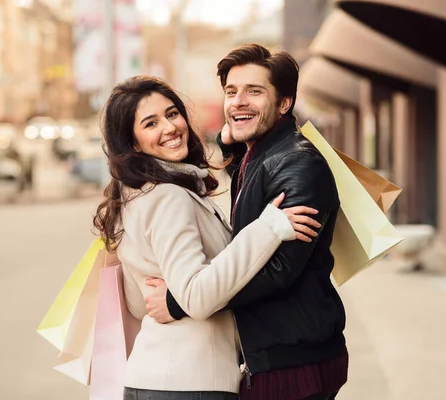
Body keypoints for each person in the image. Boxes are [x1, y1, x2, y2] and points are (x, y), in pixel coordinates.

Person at [92, 75, 322, 400]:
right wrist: (269, 228)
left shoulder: (133, 198)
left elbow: (139, 302)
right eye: (151, 123)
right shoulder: (168, 198)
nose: (170, 127)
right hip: (190, 383)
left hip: (151, 378)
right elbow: (196, 297)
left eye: (172, 114)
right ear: (132, 143)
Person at [146, 44, 349, 400]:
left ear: (284, 103)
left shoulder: (299, 165)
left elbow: (279, 271)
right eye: (231, 92)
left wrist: (182, 302)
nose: (238, 101)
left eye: (254, 91)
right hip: (275, 349)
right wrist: (231, 145)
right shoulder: (261, 151)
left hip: (294, 359)